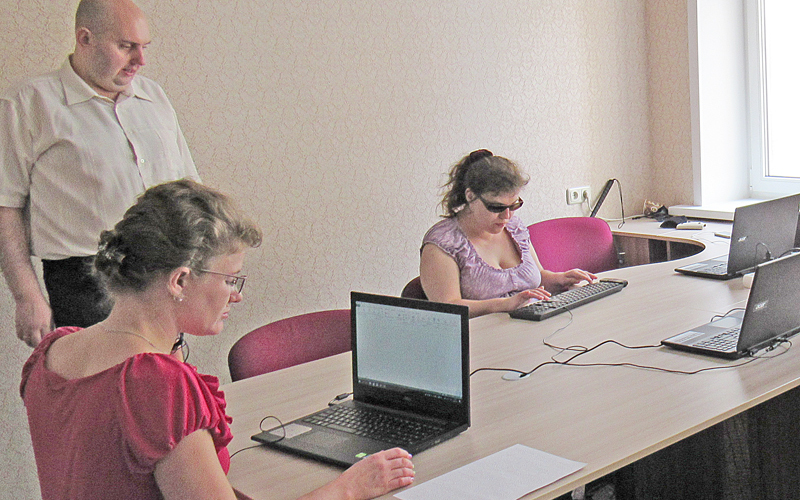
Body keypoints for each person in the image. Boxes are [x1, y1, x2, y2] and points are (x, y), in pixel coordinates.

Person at [20, 179, 415, 500]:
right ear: (180, 280)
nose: (236, 296)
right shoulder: (159, 385)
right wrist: (350, 488)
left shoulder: (52, 351)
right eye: (230, 280)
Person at [0, 0, 199, 348]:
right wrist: (26, 296)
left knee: (167, 377)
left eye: (144, 47)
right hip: (86, 283)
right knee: (102, 381)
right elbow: (5, 205)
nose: (140, 60)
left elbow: (189, 190)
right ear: (85, 38)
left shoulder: (154, 97)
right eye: (126, 46)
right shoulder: (28, 103)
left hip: (165, 272)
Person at [419, 149, 597, 318]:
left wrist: (561, 279)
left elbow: (536, 279)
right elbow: (448, 308)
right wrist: (502, 304)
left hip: (529, 327)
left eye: (514, 205)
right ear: (470, 196)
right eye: (496, 207)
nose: (507, 216)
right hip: (484, 334)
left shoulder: (514, 227)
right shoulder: (443, 243)